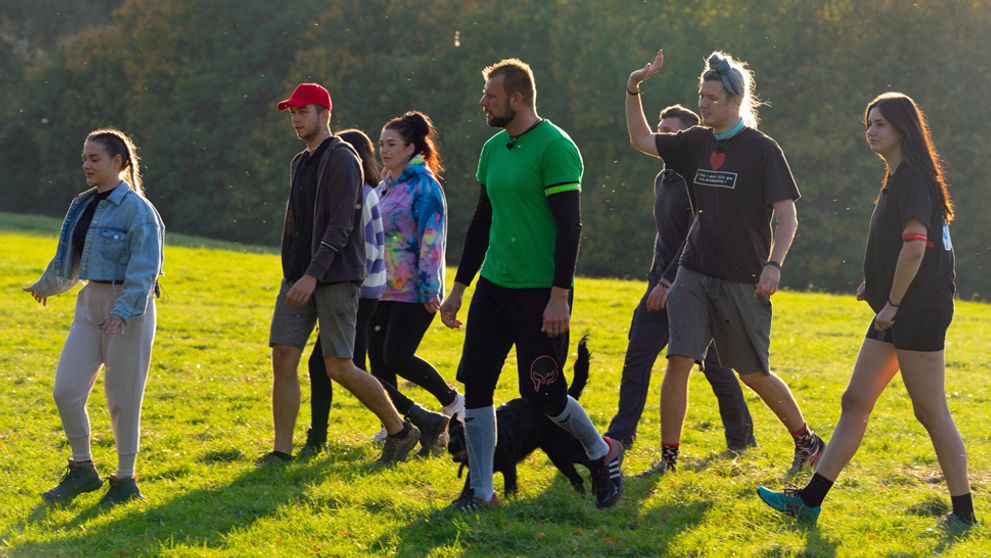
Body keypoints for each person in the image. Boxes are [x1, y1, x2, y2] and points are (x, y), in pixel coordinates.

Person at [757, 93, 976, 528]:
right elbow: (899, 246)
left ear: (902, 130)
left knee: (930, 411)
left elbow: (915, 249)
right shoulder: (897, 178)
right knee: (855, 400)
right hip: (896, 308)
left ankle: (964, 513)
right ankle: (809, 500)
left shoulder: (914, 178)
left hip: (916, 311)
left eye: (879, 124)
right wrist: (874, 286)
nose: (870, 130)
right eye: (868, 123)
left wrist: (892, 303)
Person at [625, 49, 824, 476]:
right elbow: (642, 141)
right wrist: (634, 87)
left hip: (743, 278)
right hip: (693, 273)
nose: (702, 105)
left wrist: (774, 265)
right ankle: (668, 459)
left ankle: (807, 441)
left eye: (711, 98)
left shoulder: (761, 150)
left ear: (735, 100)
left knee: (753, 372)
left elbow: (787, 214)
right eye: (701, 96)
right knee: (678, 360)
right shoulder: (695, 141)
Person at [441, 58, 624, 510]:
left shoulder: (556, 147)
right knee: (478, 387)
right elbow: (482, 222)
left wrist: (559, 296)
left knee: (544, 396)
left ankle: (602, 454)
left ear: (517, 99)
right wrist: (460, 287)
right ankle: (482, 491)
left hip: (542, 294)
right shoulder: (492, 149)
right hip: (494, 288)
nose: (483, 101)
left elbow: (570, 227)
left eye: (491, 94)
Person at [264, 83, 419, 465]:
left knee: (339, 366)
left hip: (335, 277)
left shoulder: (343, 158)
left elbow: (340, 226)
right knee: (283, 355)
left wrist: (312, 276)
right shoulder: (300, 162)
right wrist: (293, 271)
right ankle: (281, 451)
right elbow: (296, 223)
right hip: (299, 275)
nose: (296, 119)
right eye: (292, 113)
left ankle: (401, 430)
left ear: (324, 114)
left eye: (303, 112)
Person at [25, 128, 164, 506]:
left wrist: (123, 312)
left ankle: (125, 481)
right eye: (84, 158)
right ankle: (83, 469)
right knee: (66, 391)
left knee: (123, 398)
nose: (86, 165)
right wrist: (46, 285)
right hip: (90, 303)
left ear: (118, 163)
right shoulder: (82, 203)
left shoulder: (139, 210)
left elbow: (147, 267)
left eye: (94, 158)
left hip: (129, 307)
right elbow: (68, 255)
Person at [605, 104, 756, 453]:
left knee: (716, 366)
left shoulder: (698, 179)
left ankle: (742, 438)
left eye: (671, 131)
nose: (663, 136)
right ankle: (620, 435)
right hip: (659, 282)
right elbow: (667, 237)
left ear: (689, 138)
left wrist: (668, 282)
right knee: (637, 356)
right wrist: (655, 278)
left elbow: (696, 232)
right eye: (661, 129)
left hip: (690, 284)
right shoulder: (664, 178)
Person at [366, 111, 463, 454]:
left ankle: (454, 405)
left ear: (411, 147)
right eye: (381, 144)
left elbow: (431, 239)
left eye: (392, 144)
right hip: (381, 287)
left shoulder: (425, 185)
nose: (384, 150)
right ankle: (395, 426)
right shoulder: (385, 183)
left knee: (397, 356)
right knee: (376, 361)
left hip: (414, 291)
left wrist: (428, 288)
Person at [299, 128, 387, 456]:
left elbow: (367, 248)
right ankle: (318, 435)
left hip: (357, 290)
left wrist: (347, 284)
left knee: (338, 366)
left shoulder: (361, 193)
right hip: (366, 290)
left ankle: (411, 420)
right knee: (342, 366)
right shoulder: (368, 190)